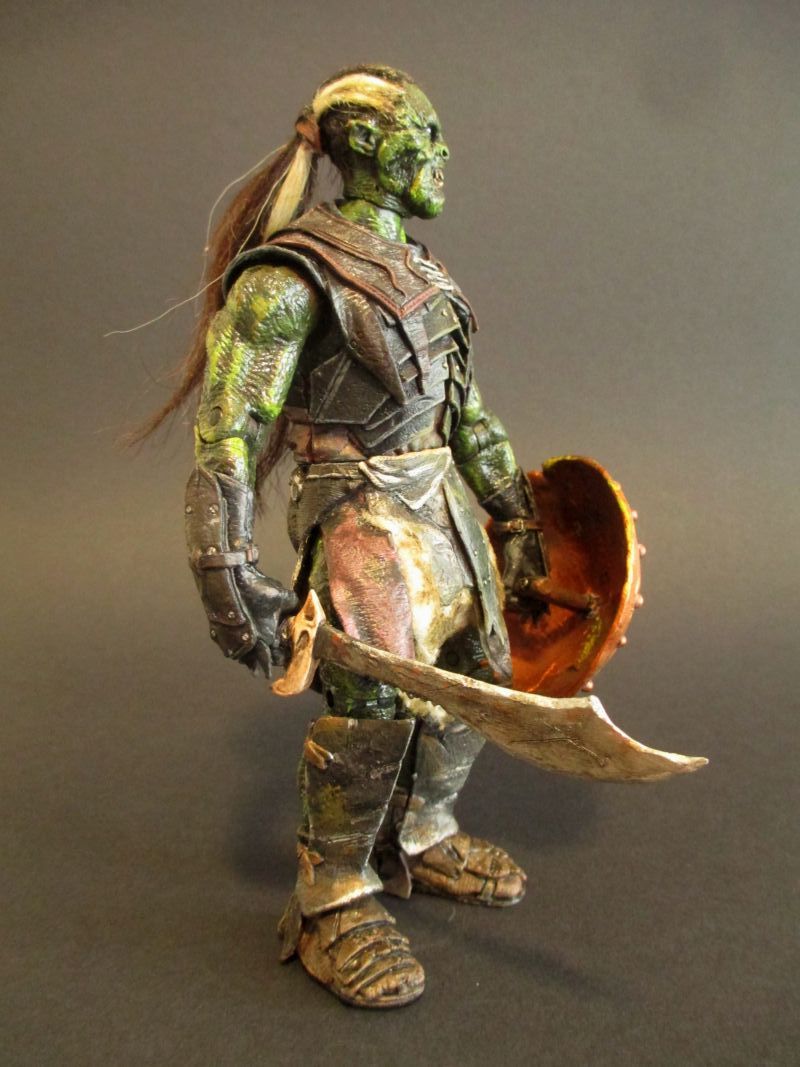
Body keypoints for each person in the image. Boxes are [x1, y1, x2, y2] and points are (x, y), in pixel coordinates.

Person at [144, 65, 548, 1009]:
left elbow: (467, 414)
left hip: (442, 506)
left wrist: (516, 511)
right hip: (362, 517)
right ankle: (333, 897)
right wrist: (223, 565)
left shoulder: (428, 276)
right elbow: (229, 428)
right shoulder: (290, 278)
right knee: (373, 704)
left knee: (479, 676)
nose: (443, 154)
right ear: (365, 145)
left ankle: (422, 830)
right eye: (426, 136)